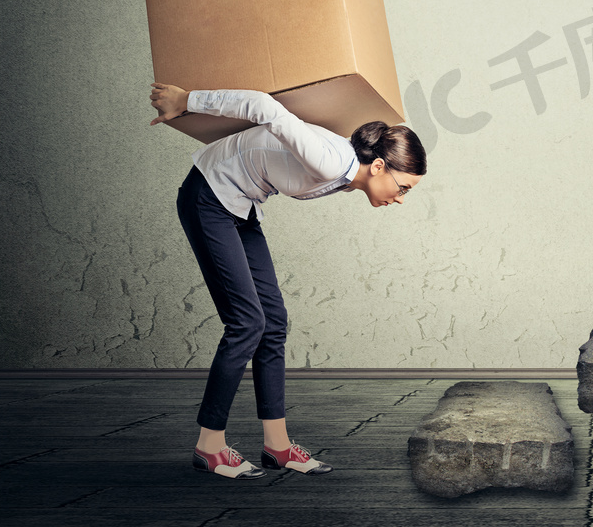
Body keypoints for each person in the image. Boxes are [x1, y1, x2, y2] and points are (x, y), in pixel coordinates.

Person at [149, 83, 427, 479]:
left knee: (273, 322)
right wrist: (185, 102)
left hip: (241, 204)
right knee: (247, 323)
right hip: (208, 198)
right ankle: (209, 446)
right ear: (379, 166)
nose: (400, 198)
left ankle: (277, 447)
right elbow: (263, 105)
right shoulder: (332, 162)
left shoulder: (346, 171)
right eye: (402, 188)